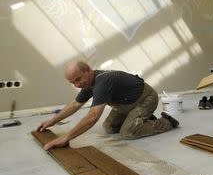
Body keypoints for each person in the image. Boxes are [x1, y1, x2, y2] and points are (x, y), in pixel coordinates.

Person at [37, 61, 179, 150]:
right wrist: (51, 121)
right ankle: (140, 120)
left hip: (145, 99)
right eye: (73, 82)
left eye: (78, 79)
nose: (77, 85)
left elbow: (93, 116)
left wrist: (65, 138)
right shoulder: (89, 83)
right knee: (109, 127)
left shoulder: (102, 83)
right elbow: (75, 104)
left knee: (127, 133)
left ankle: (166, 122)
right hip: (125, 104)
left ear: (88, 70)